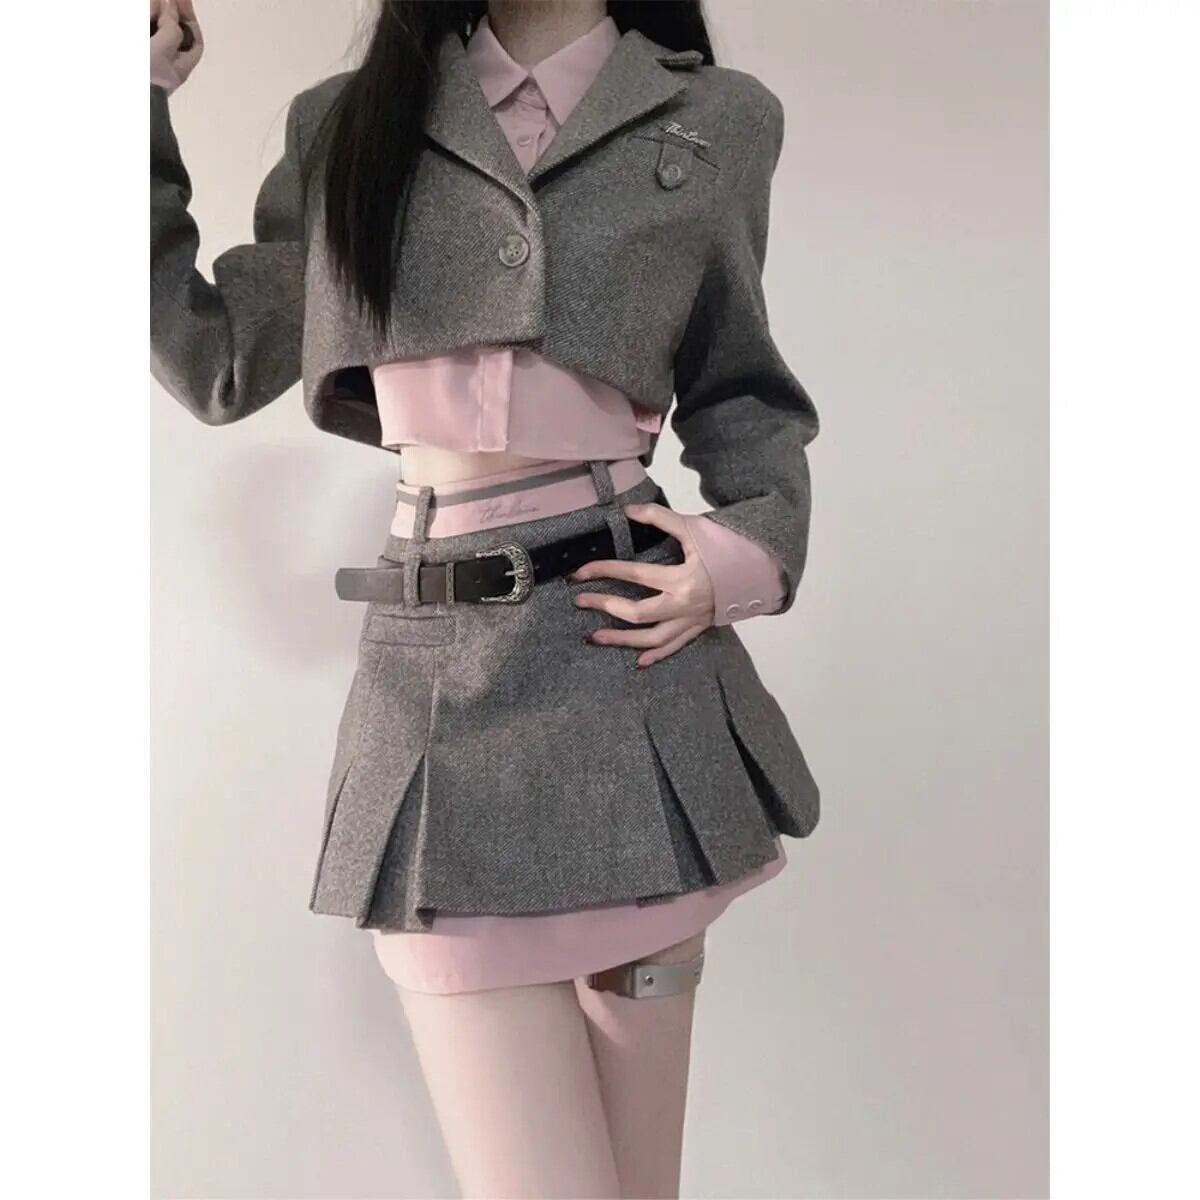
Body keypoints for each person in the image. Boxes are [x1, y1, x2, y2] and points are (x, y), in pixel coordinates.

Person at [150, 1, 821, 1195]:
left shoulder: (718, 118)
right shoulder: (347, 126)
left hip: (630, 670)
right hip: (436, 689)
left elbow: (742, 392)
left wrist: (741, 560)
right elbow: (219, 360)